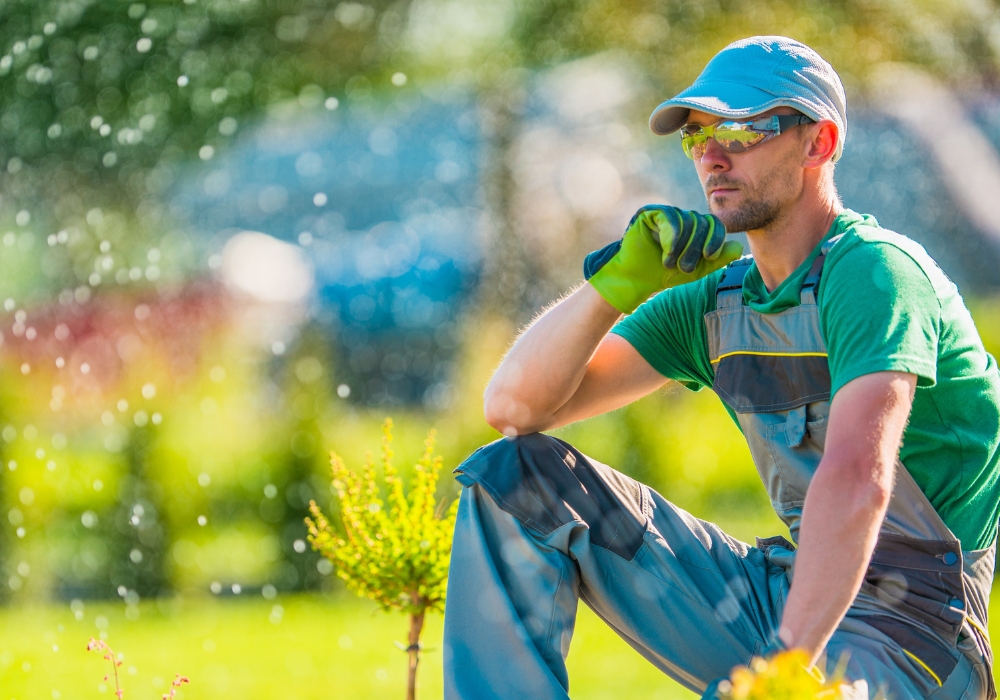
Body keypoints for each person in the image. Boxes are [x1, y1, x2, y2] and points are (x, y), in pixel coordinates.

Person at [442, 36, 999, 700]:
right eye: (699, 136)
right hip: (787, 594)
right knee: (516, 476)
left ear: (818, 143)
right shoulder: (717, 303)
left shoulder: (876, 273)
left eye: (740, 130)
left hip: (917, 635)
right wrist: (613, 287)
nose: (710, 154)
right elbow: (513, 410)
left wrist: (786, 668)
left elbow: (857, 478)